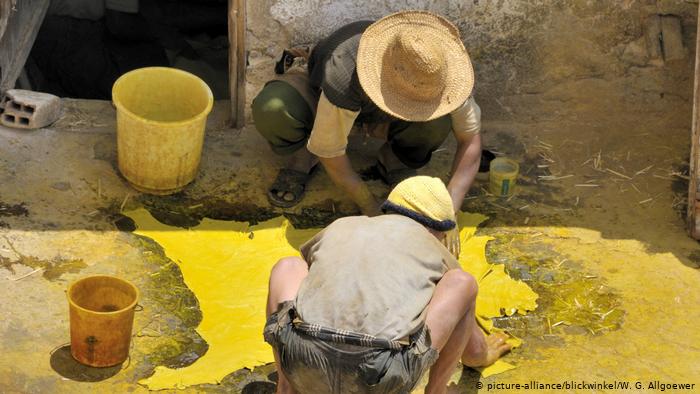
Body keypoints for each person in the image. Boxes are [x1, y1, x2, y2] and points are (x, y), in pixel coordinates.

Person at [264, 176, 512, 394]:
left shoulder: (342, 226)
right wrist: (480, 354)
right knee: (462, 283)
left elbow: (310, 280)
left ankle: (286, 388)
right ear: (440, 231)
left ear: (389, 211)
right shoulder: (434, 248)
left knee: (287, 266)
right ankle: (436, 391)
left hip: (301, 360)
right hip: (378, 377)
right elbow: (461, 319)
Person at [252, 11, 484, 221]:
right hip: (321, 93)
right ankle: (303, 157)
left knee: (438, 122)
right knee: (273, 108)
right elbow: (330, 151)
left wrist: (449, 212)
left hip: (379, 114)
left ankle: (394, 158)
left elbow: (470, 139)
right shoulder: (344, 72)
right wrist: (369, 205)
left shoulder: (444, 74)